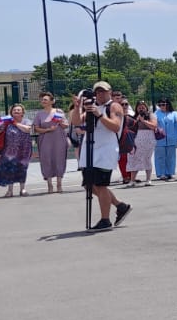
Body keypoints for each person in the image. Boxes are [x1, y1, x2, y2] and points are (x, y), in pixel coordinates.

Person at [68, 81, 132, 231]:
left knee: (101, 185)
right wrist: (78, 107)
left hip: (105, 151)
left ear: (110, 92)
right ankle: (120, 206)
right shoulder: (92, 106)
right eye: (98, 92)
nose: (100, 94)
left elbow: (115, 126)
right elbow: (76, 122)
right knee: (88, 185)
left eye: (103, 91)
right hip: (90, 150)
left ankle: (105, 219)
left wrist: (100, 114)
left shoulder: (113, 106)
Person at [0, 104, 35, 197]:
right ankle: (10, 190)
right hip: (9, 150)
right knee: (10, 169)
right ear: (11, 112)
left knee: (23, 168)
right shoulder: (6, 122)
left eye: (18, 110)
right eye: (14, 110)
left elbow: (28, 130)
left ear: (22, 112)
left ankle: (22, 189)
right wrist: (2, 124)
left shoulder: (26, 121)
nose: (16, 111)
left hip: (24, 149)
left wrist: (15, 123)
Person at [32, 93, 69, 193]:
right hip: (45, 140)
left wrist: (60, 121)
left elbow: (66, 125)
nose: (43, 101)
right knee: (46, 160)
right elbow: (36, 129)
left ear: (52, 101)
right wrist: (48, 129)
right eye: (42, 100)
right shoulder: (39, 114)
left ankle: (59, 184)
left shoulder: (58, 111)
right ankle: (49, 185)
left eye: (45, 99)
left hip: (59, 139)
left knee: (59, 159)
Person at [125, 101, 157, 187]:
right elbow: (130, 128)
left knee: (147, 158)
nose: (141, 108)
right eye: (139, 107)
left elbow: (154, 126)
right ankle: (132, 180)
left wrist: (144, 121)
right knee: (133, 158)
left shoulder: (150, 115)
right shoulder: (134, 116)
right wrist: (136, 120)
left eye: (143, 107)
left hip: (148, 138)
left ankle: (148, 179)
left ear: (146, 108)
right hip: (136, 139)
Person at [153, 99, 177, 182]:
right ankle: (161, 173)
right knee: (160, 157)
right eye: (161, 104)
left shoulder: (174, 113)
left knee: (171, 157)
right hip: (160, 139)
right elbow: (153, 123)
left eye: (164, 104)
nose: (162, 106)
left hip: (171, 138)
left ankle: (170, 172)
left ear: (168, 104)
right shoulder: (156, 114)